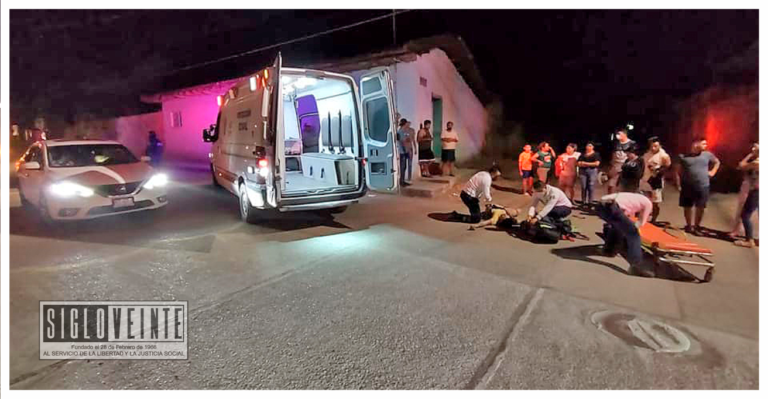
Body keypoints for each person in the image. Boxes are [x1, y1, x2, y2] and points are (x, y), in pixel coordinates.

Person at [596, 193, 655, 277]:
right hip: (612, 206)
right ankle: (636, 266)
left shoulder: (634, 198)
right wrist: (634, 227)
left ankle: (608, 250)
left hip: (600, 206)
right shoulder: (648, 203)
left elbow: (623, 217)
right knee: (633, 234)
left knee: (617, 226)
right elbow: (641, 222)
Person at [675, 138, 721, 234]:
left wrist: (712, 172)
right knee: (687, 206)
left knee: (700, 207)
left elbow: (717, 162)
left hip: (703, 185)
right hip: (687, 185)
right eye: (703, 143)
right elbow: (677, 171)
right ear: (696, 144)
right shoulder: (682, 156)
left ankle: (696, 226)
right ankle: (688, 225)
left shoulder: (707, 154)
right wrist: (678, 184)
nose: (706, 146)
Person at [729, 143, 760, 238]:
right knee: (744, 209)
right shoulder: (755, 161)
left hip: (753, 188)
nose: (753, 149)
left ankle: (744, 235)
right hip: (751, 186)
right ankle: (737, 230)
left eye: (756, 147)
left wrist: (749, 155)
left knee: (744, 212)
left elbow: (741, 165)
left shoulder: (756, 162)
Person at [639, 137, 672, 223]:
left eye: (655, 146)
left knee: (655, 202)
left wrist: (658, 170)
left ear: (660, 146)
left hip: (656, 181)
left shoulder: (663, 155)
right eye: (651, 146)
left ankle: (653, 220)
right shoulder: (647, 154)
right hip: (645, 179)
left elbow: (668, 167)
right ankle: (643, 217)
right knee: (644, 199)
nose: (653, 148)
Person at [607, 128, 636, 194]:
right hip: (615, 166)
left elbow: (634, 157)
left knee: (624, 187)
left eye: (619, 134)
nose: (617, 135)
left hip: (626, 167)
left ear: (625, 134)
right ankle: (611, 201)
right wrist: (611, 167)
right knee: (611, 186)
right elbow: (613, 155)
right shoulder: (616, 143)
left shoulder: (632, 143)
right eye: (617, 134)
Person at [397, 119, 415, 186]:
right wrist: (408, 151)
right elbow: (403, 142)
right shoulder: (401, 131)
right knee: (403, 167)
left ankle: (402, 180)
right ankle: (401, 181)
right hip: (403, 151)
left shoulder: (402, 131)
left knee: (404, 167)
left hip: (403, 151)